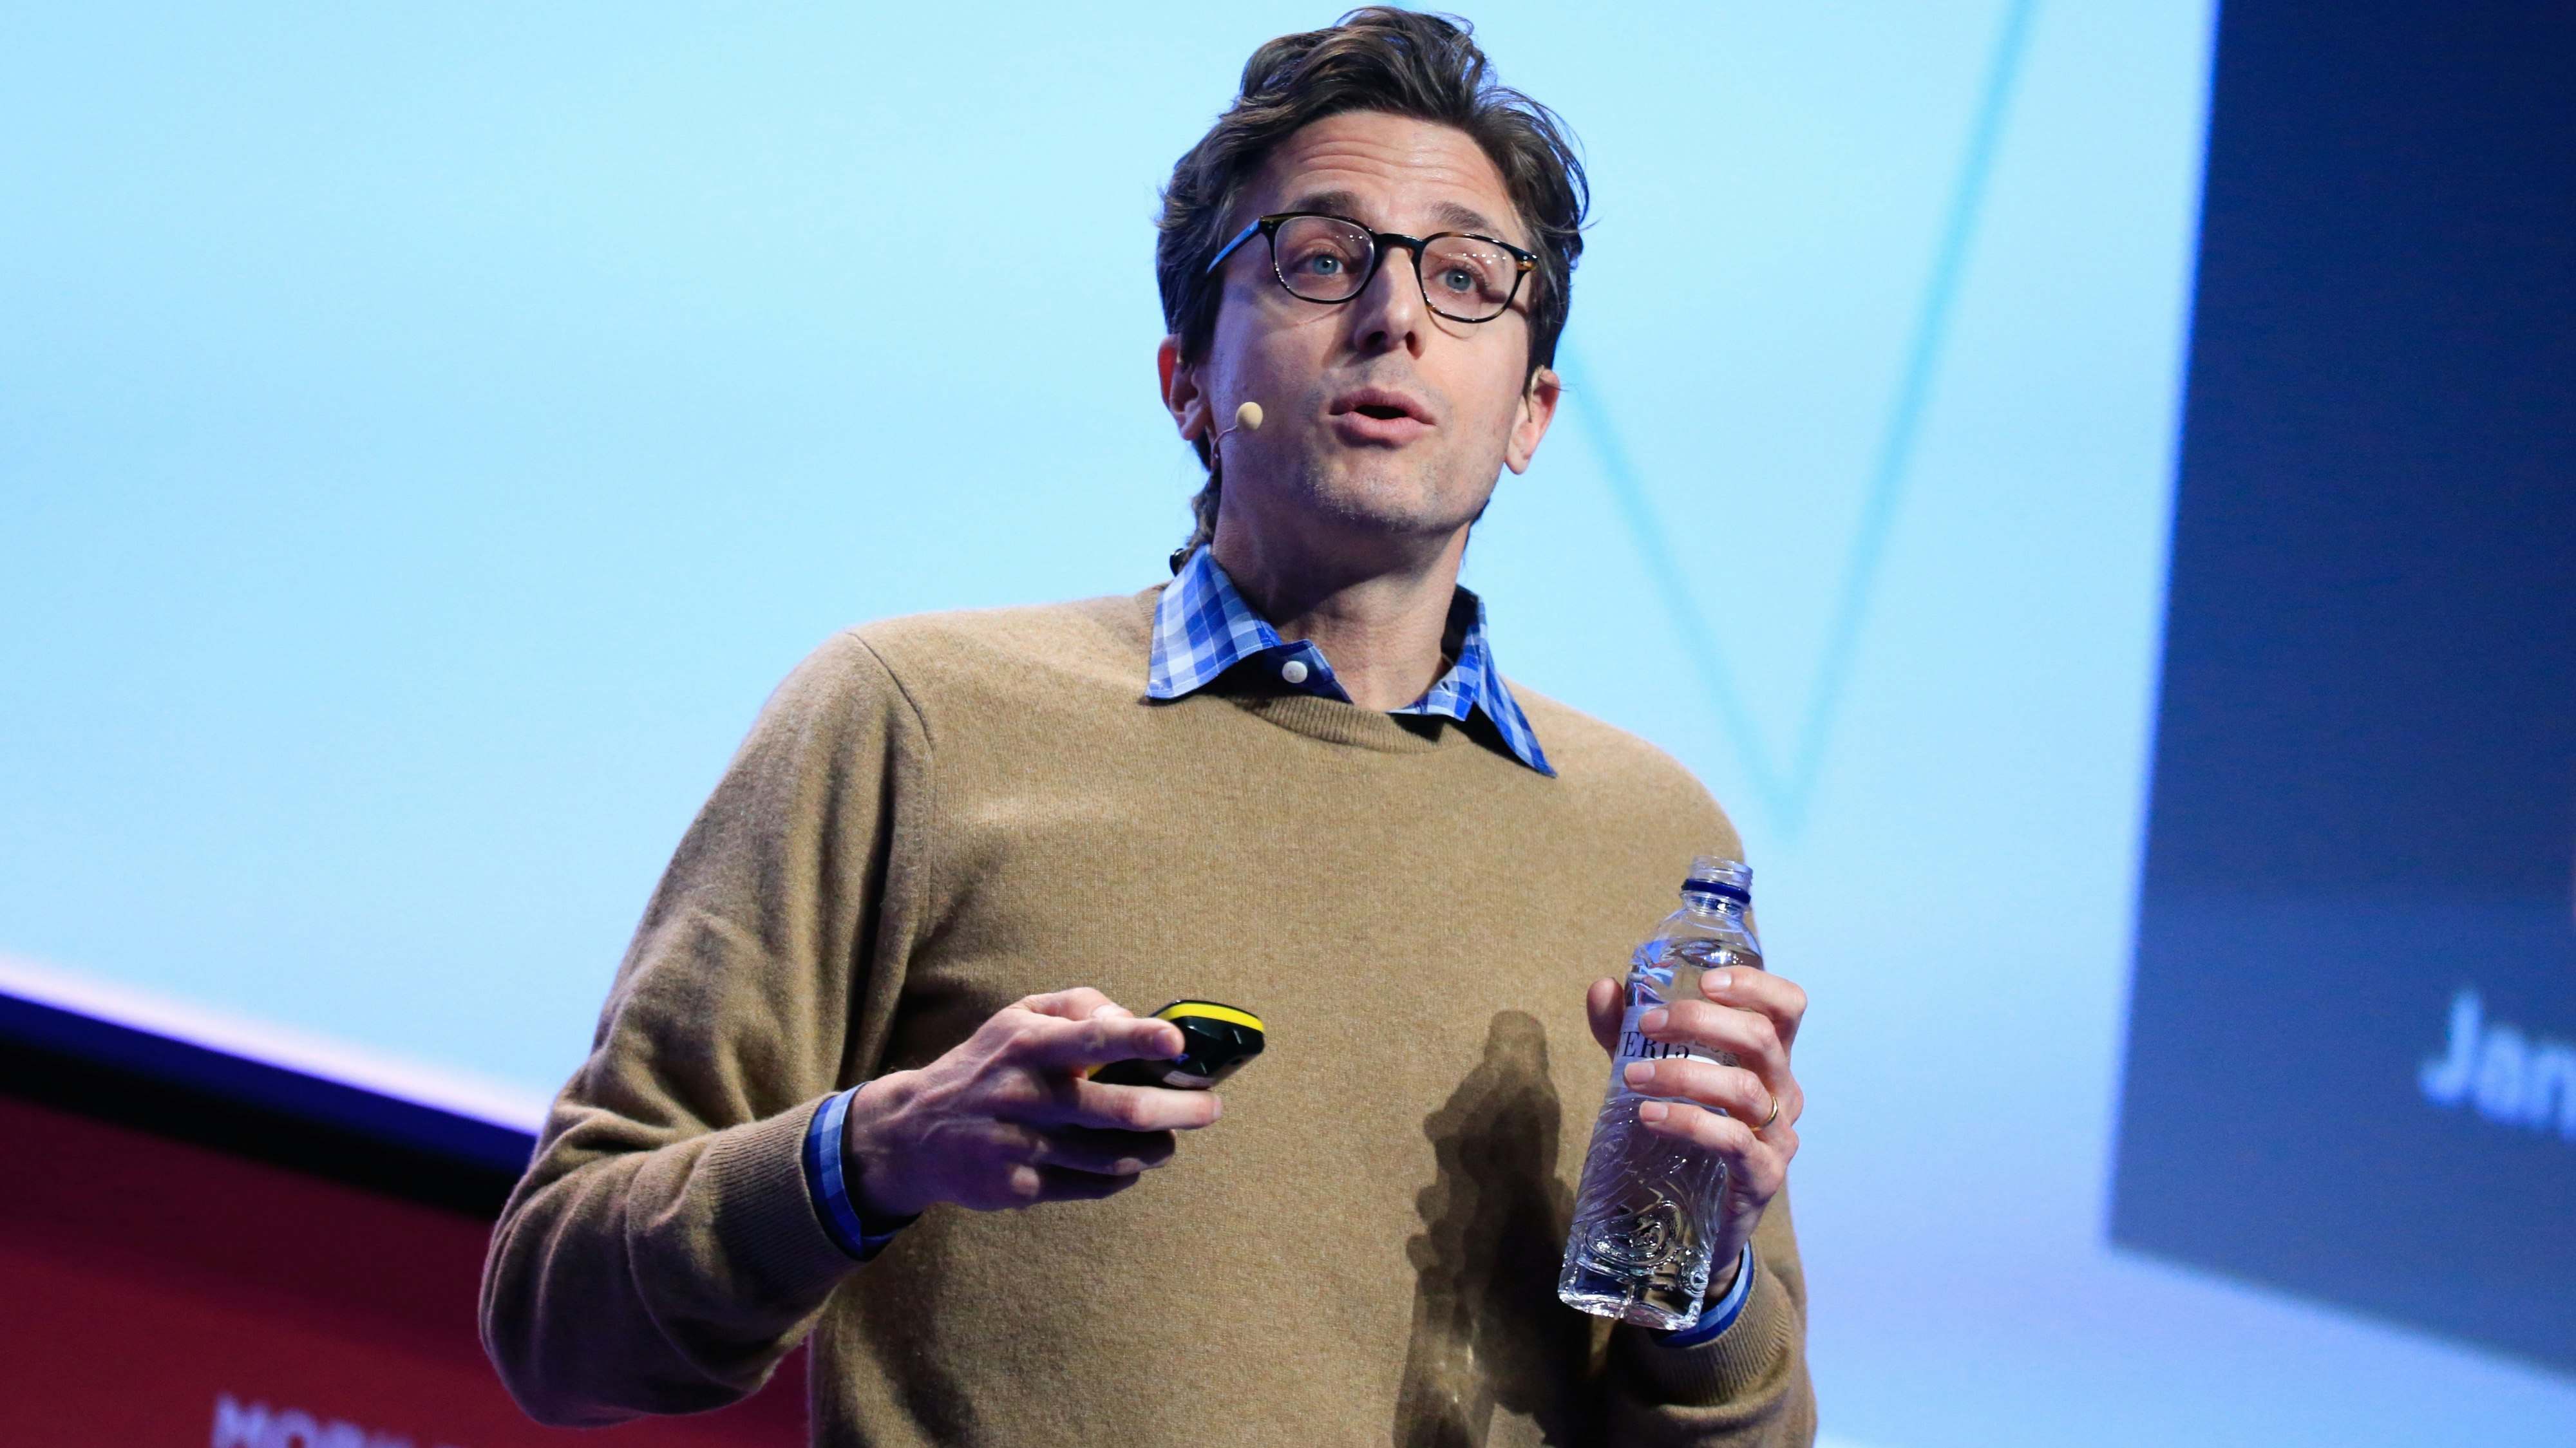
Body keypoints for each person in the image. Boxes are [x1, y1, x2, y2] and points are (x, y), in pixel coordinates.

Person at [479, 10, 1814, 1446]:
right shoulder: (912, 719)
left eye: (1468, 278)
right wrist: (876, 1152)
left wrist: (1713, 1275)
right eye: (1319, 258)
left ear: (1529, 414)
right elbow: (561, 1325)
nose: (1395, 315)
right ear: (1187, 380)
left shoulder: (1655, 847)